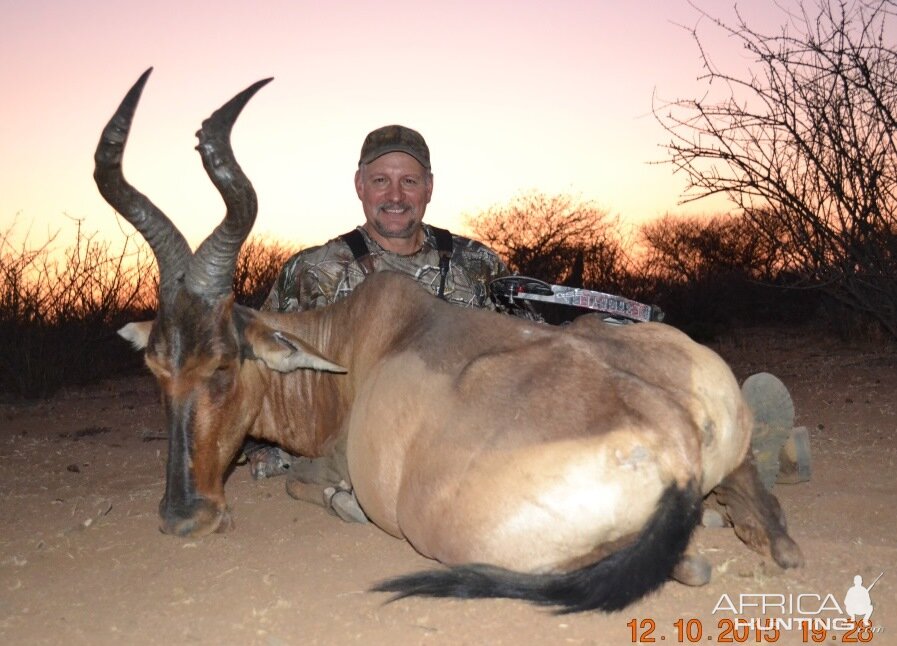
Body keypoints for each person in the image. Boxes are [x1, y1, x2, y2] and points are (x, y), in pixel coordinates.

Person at [242, 125, 511, 518]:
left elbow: (527, 345)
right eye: (381, 181)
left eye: (410, 181)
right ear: (360, 185)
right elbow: (257, 367)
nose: (396, 196)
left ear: (429, 188)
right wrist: (261, 444)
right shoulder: (313, 270)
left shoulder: (479, 263)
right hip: (357, 443)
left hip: (472, 436)